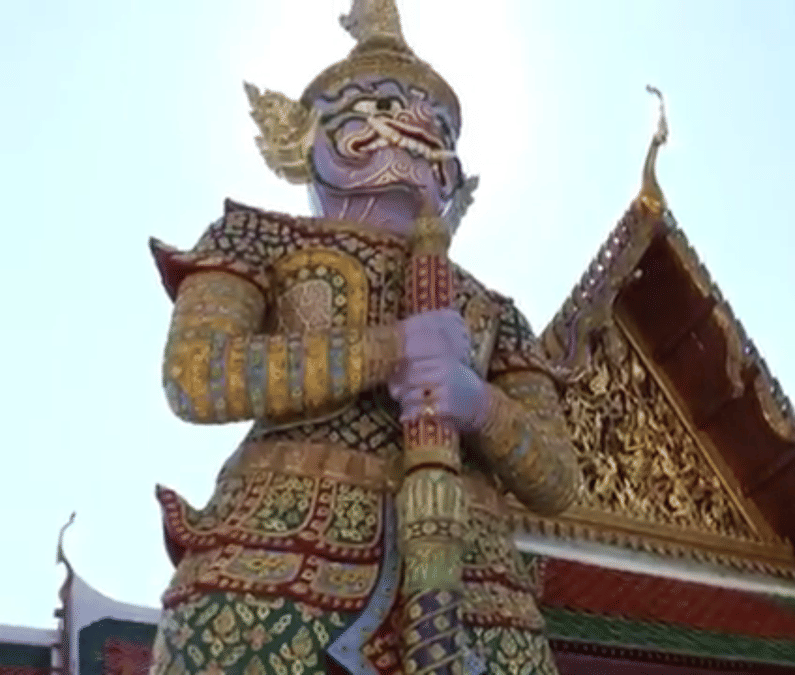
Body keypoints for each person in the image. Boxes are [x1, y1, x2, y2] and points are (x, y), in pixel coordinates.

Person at [147, 1, 581, 673]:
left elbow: (558, 481)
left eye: (439, 124)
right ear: (305, 136)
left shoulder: (492, 309)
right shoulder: (256, 238)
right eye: (378, 105)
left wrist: (477, 403)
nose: (417, 126)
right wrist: (390, 349)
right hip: (276, 557)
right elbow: (198, 376)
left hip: (475, 585)